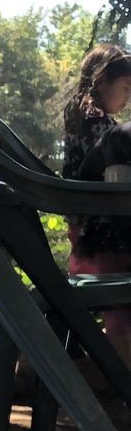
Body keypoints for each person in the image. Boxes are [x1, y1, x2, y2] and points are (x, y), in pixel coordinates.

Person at [62, 43, 131, 366]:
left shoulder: (82, 121)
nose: (128, 97)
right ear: (102, 82)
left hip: (86, 230)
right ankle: (122, 385)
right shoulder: (102, 128)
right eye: (126, 88)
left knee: (109, 309)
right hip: (105, 232)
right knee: (119, 310)